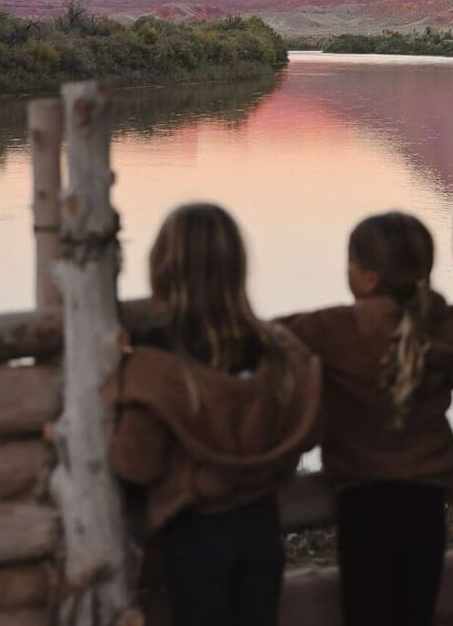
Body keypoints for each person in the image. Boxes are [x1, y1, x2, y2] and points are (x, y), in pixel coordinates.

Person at [104, 203, 321, 626]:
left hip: (195, 536)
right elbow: (306, 430)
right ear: (237, 266)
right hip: (262, 527)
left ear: (162, 268)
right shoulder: (275, 353)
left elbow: (135, 462)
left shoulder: (159, 363)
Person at [282, 212, 453, 626]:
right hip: (426, 501)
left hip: (364, 502)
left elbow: (269, 336)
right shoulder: (441, 327)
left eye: (350, 263)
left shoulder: (332, 328)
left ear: (367, 278)